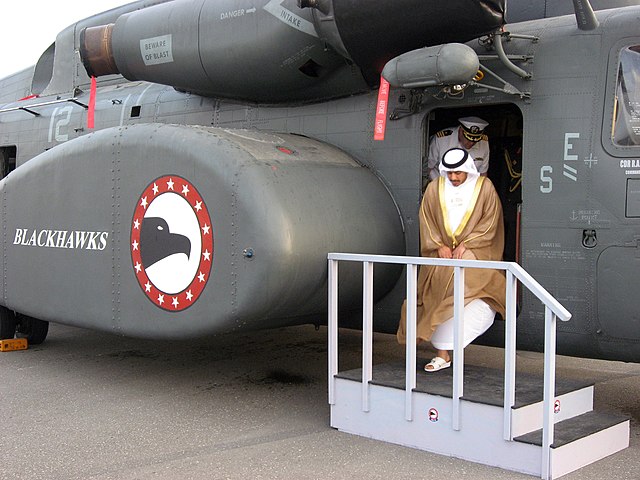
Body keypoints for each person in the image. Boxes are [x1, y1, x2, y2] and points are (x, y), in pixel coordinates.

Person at [398, 147, 506, 372]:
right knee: (438, 296)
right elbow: (426, 219)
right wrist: (438, 245)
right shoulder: (434, 188)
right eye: (449, 173)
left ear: (467, 170)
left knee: (463, 292)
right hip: (442, 255)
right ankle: (443, 354)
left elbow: (491, 221)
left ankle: (447, 351)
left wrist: (468, 244)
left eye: (458, 173)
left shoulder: (484, 188)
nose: (454, 178)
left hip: (476, 252)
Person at [423, 116, 490, 189]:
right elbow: (428, 168)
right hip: (440, 185)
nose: (471, 143)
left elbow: (482, 173)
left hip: (468, 189)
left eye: (475, 141)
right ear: (461, 131)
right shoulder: (441, 140)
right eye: (468, 139)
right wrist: (437, 187)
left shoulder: (484, 143)